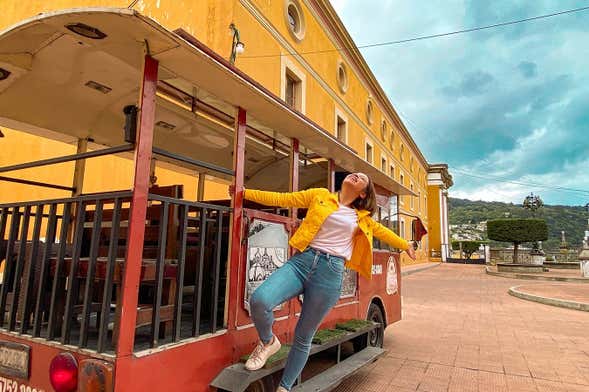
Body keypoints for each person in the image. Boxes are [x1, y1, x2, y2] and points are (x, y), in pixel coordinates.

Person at [233, 172, 416, 392]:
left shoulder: (363, 219)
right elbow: (284, 199)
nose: (356, 175)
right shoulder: (319, 196)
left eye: (362, 178)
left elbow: (384, 232)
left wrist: (405, 244)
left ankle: (284, 388)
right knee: (260, 300)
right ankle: (268, 342)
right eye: (355, 174)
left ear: (364, 193)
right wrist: (244, 193)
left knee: (303, 336)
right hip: (302, 261)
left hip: (330, 273)